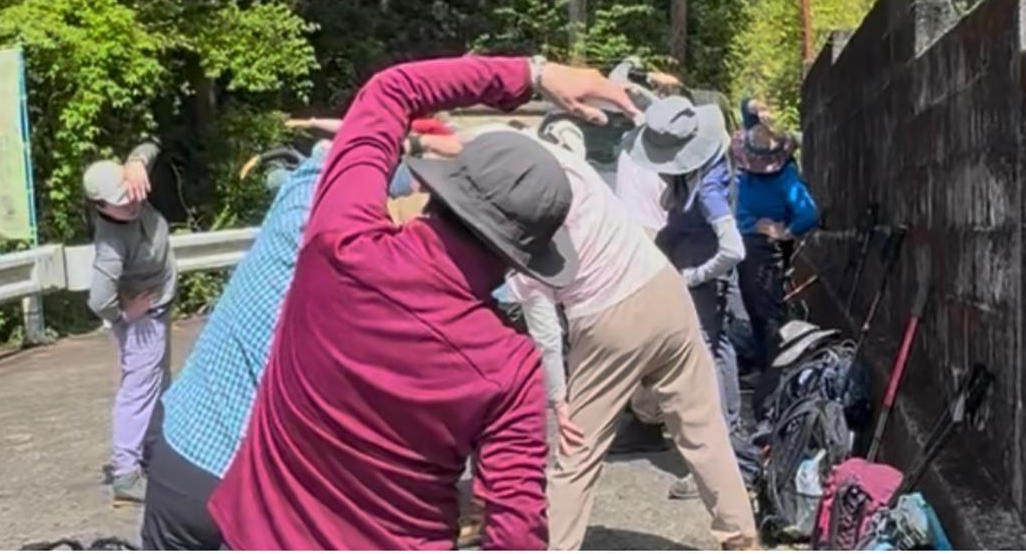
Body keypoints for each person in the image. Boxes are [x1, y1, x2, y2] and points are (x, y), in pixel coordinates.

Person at [206, 56, 637, 550]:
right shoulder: (510, 368)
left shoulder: (339, 245)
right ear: (522, 256)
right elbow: (517, 533)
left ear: (441, 191)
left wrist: (533, 74)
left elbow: (390, 90)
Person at [140, 133, 438, 549]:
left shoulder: (299, 211)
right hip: (264, 498)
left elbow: (328, 158)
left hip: (186, 450)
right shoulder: (395, 299)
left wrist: (398, 143)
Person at [504, 122, 759, 550]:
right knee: (704, 429)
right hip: (663, 287)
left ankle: (554, 545)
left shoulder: (515, 229)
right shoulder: (577, 172)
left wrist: (558, 399)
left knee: (577, 449)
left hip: (605, 318)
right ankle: (742, 540)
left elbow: (546, 333)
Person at [622, 95, 750, 499]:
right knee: (717, 351)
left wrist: (695, 275)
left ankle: (717, 459)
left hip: (702, 273)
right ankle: (726, 444)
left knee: (706, 357)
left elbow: (733, 249)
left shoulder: (710, 189)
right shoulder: (701, 168)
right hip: (692, 265)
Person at [82, 141, 175, 505]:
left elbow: (151, 146)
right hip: (142, 321)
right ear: (101, 206)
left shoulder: (132, 191)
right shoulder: (112, 242)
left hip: (155, 312)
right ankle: (125, 472)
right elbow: (98, 298)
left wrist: (136, 162)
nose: (132, 203)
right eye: (121, 202)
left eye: (130, 194)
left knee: (156, 387)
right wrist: (123, 315)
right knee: (138, 392)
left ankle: (152, 455)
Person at [730, 97, 819, 372]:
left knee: (766, 313)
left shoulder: (784, 178)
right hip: (749, 244)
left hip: (763, 249)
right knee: (756, 309)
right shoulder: (756, 154)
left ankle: (774, 373)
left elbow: (809, 213)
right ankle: (765, 366)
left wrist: (784, 232)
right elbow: (748, 112)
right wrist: (754, 106)